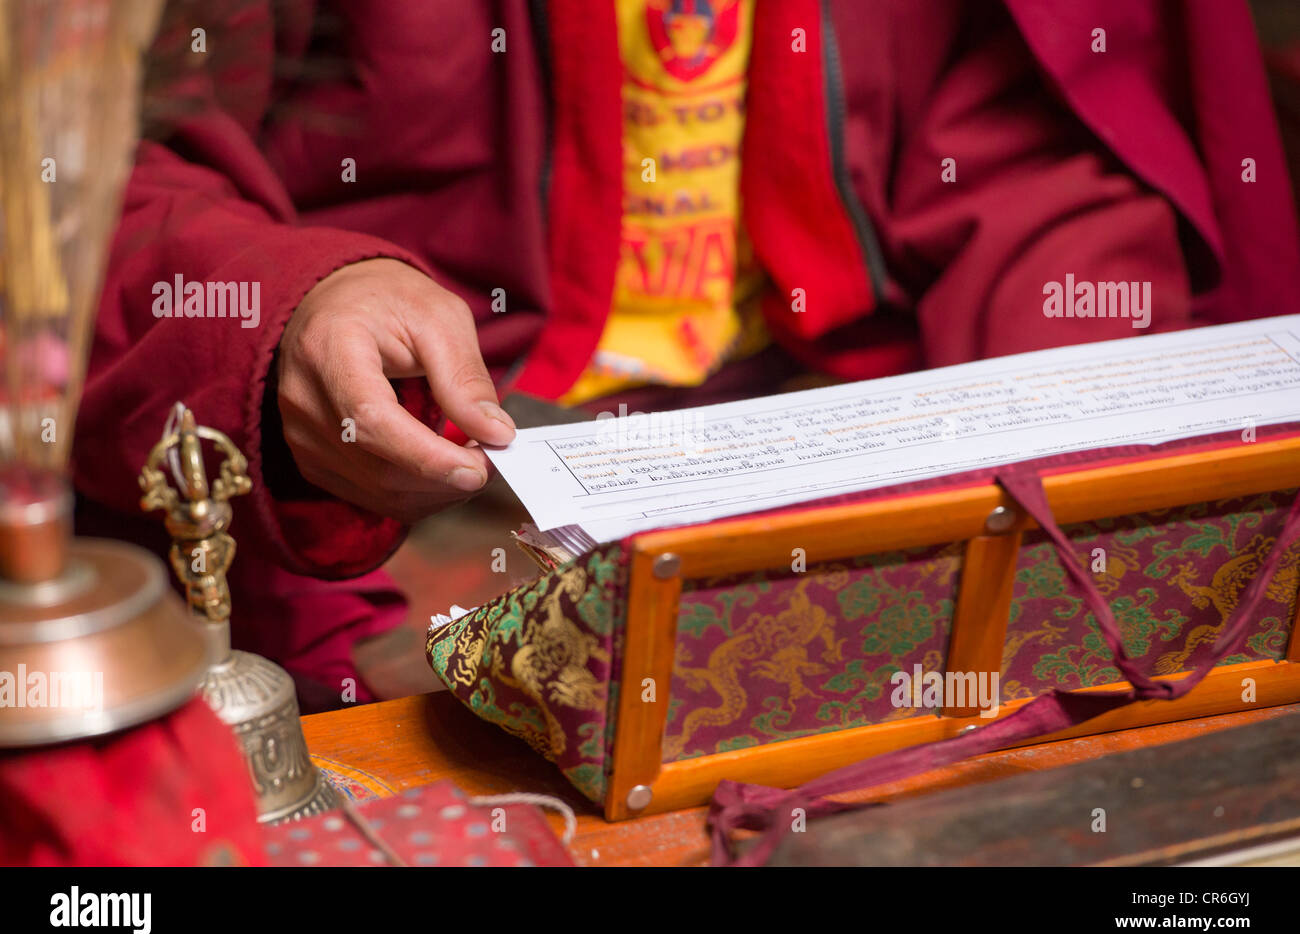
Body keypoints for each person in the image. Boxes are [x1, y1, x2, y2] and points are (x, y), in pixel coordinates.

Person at [77, 0, 1300, 707]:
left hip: (841, 451)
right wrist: (296, 309)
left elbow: (1034, 155)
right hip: (417, 494)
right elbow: (85, 178)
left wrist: (1063, 425)